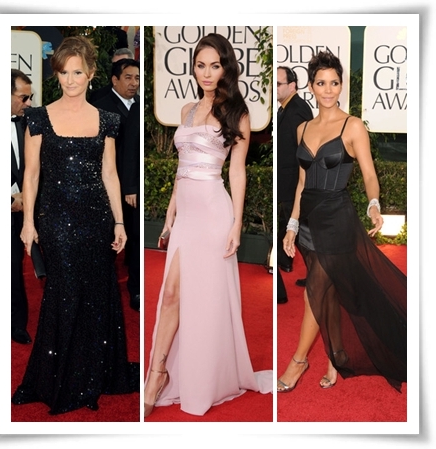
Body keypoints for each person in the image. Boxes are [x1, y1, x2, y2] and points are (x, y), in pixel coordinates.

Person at [144, 33, 272, 417]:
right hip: (186, 213)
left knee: (204, 300)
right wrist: (171, 210)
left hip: (214, 211)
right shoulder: (186, 109)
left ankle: (197, 377)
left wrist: (236, 224)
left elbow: (237, 172)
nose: (206, 72)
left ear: (226, 68)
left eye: (214, 65)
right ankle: (158, 373)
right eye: (200, 65)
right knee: (170, 294)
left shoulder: (237, 113)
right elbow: (182, 167)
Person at [11, 35, 139, 415]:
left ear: (91, 73)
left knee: (97, 295)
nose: (70, 80)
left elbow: (110, 174)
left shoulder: (107, 120)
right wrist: (28, 223)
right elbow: (31, 175)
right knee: (65, 295)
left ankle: (93, 374)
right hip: (56, 221)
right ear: (57, 75)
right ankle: (63, 378)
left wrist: (119, 221)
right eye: (64, 73)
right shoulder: (38, 117)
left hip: (97, 220)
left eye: (77, 72)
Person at [277, 51, 406, 393]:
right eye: (321, 83)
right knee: (328, 291)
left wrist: (374, 205)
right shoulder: (302, 128)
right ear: (310, 86)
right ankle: (337, 357)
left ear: (341, 85)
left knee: (316, 289)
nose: (328, 90)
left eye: (334, 83)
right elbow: (302, 182)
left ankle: (298, 361)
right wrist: (292, 225)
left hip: (337, 218)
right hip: (308, 223)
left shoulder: (353, 126)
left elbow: (369, 174)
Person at [93, 58, 141, 312]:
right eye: (128, 78)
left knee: (133, 237)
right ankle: (99, 287)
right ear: (115, 80)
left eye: (137, 78)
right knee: (106, 240)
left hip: (129, 187)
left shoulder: (140, 106)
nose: (134, 83)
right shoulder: (99, 107)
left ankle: (135, 289)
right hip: (105, 186)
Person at [276, 66, 313, 303]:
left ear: (292, 86)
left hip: (292, 186)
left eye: (278, 84)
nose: (275, 89)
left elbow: (304, 152)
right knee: (296, 234)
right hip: (288, 184)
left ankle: (319, 274)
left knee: (294, 232)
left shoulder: (297, 110)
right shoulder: (287, 108)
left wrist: (299, 185)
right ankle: (292, 265)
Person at [11, 69, 33, 344]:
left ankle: (16, 324)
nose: (28, 103)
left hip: (18, 213)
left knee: (14, 267)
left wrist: (25, 197)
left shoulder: (25, 124)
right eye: (23, 97)